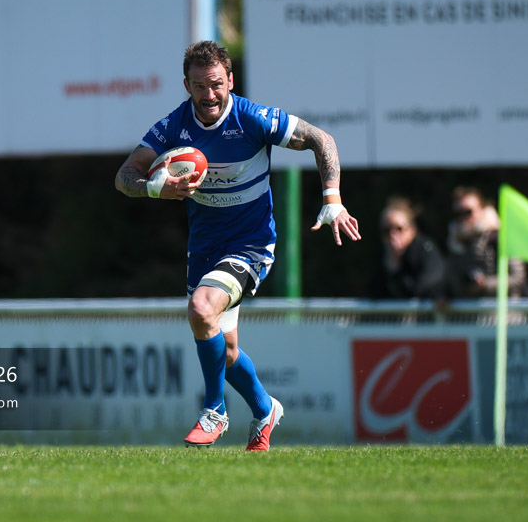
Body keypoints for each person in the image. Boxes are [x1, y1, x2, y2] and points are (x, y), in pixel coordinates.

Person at [115, 40, 361, 451]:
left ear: (230, 80)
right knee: (224, 349)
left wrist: (332, 199)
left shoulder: (252, 118)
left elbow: (322, 140)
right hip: (205, 249)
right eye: (198, 86)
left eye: (215, 84)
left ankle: (215, 410)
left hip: (250, 245)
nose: (208, 95)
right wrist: (156, 189)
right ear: (186, 86)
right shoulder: (175, 126)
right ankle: (265, 409)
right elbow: (124, 177)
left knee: (201, 309)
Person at [444, 186, 527, 299]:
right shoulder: (455, 243)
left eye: (468, 212)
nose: (463, 218)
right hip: (469, 313)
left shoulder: (500, 237)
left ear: (483, 209)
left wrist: (486, 284)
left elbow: (518, 278)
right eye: (458, 214)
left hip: (504, 312)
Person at [373, 197, 446, 301]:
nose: (393, 235)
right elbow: (375, 293)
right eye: (387, 230)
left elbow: (420, 290)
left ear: (412, 229)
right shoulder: (383, 255)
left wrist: (396, 269)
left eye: (399, 228)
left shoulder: (426, 250)